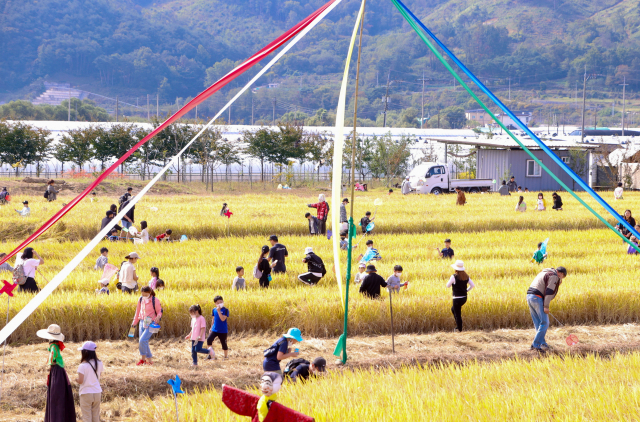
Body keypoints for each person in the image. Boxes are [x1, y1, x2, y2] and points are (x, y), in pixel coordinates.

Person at [37, 324, 76, 421]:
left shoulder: (53, 346)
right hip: (58, 371)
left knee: (56, 397)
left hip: (57, 371)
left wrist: (48, 363)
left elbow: (52, 358)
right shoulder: (55, 346)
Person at [526, 267, 567, 352]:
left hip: (530, 297)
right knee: (545, 322)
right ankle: (535, 345)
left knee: (538, 322)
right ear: (561, 273)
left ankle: (542, 343)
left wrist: (556, 284)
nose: (561, 279)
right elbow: (549, 291)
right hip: (537, 298)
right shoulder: (554, 276)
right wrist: (546, 306)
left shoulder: (546, 272)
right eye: (563, 277)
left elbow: (544, 285)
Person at [132, 286, 162, 365]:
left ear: (150, 293)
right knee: (144, 341)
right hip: (142, 322)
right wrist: (134, 323)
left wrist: (158, 317)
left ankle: (142, 359)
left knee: (142, 340)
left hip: (151, 323)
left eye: (146, 295)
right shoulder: (140, 299)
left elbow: (159, 311)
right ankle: (150, 361)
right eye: (142, 294)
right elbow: (137, 312)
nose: (144, 296)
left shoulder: (155, 300)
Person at [76, 341, 104, 422]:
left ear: (85, 352)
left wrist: (76, 380)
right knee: (96, 416)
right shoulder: (99, 363)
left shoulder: (82, 366)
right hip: (97, 392)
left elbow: (81, 381)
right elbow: (99, 376)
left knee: (87, 417)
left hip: (86, 393)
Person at [446, 260, 475, 332]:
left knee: (457, 314)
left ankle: (459, 329)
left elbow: (447, 286)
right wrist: (466, 290)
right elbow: (472, 285)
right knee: (453, 310)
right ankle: (458, 327)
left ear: (456, 269)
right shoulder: (466, 276)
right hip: (464, 298)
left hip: (456, 299)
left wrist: (452, 281)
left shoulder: (454, 276)